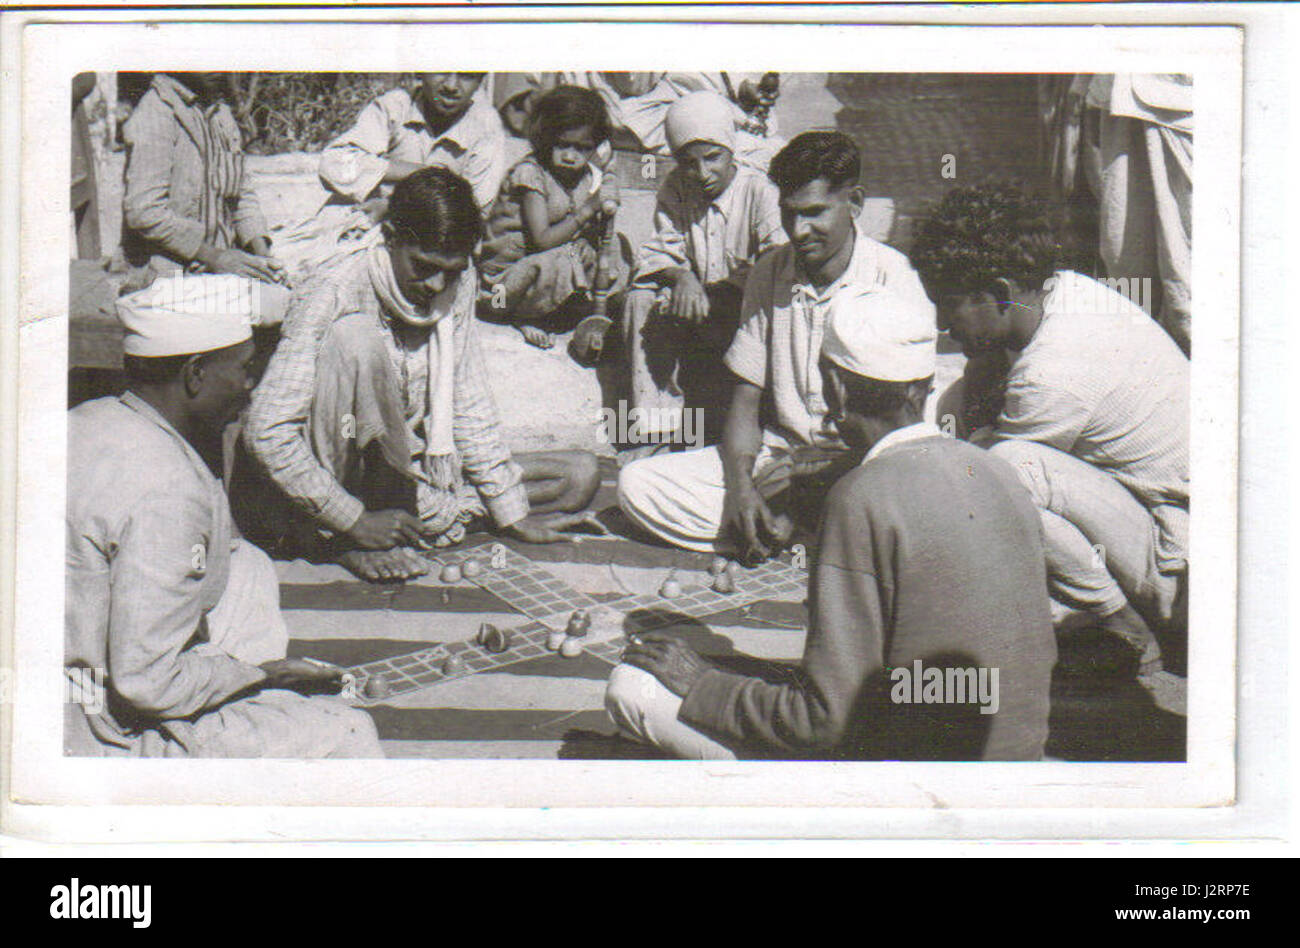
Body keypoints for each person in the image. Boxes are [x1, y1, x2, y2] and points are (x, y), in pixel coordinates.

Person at [605, 289, 1057, 760]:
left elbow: (822, 723)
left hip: (914, 779)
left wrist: (705, 686)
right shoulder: (995, 468)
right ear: (920, 389)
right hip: (1016, 750)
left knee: (633, 689)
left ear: (836, 391)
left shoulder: (859, 497)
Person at [65, 274, 382, 758]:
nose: (251, 385)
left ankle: (242, 693)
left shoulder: (89, 419)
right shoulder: (167, 491)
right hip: (93, 725)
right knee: (348, 732)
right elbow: (145, 684)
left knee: (247, 564)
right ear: (195, 374)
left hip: (73, 664)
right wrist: (258, 675)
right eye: (243, 369)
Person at [237, 167, 601, 584]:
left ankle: (434, 514)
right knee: (354, 336)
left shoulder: (457, 284)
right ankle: (337, 539)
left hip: (410, 468)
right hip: (344, 472)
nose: (435, 283)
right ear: (391, 236)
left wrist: (511, 510)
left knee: (580, 476)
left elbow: (468, 400)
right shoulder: (334, 288)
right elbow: (267, 431)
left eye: (451, 269)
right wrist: (352, 520)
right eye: (424, 265)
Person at [909, 183, 1189, 674]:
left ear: (998, 293)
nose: (942, 325)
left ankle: (1118, 621)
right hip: (1168, 516)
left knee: (1000, 473)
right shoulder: (1067, 291)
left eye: (948, 305)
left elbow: (984, 475)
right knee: (977, 431)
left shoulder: (1052, 373)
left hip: (1178, 567)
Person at [617, 131, 934, 557]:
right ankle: (786, 527)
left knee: (895, 496)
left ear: (854, 203)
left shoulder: (894, 277)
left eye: (815, 213)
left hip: (859, 463)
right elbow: (745, 400)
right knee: (638, 485)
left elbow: (907, 421)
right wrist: (742, 489)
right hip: (781, 458)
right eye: (789, 214)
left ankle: (793, 527)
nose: (799, 231)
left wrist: (823, 475)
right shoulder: (770, 271)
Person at [620, 91, 785, 448]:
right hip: (694, 301)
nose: (702, 173)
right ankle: (657, 426)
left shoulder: (758, 190)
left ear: (730, 151)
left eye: (713, 158)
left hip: (744, 302)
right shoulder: (676, 188)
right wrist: (682, 277)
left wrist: (720, 290)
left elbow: (777, 258)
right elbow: (660, 248)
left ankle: (729, 425)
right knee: (639, 300)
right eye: (689, 163)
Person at [478, 85, 627, 350]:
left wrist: (585, 240)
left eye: (582, 148)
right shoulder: (531, 174)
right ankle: (525, 316)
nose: (570, 156)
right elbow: (543, 240)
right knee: (562, 260)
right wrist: (588, 210)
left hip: (540, 265)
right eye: (562, 145)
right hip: (502, 286)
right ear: (546, 137)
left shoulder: (582, 175)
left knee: (609, 243)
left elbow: (577, 228)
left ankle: (603, 304)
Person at [121, 72, 285, 287]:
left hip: (221, 268)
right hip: (166, 276)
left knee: (287, 297)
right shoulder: (156, 112)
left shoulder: (220, 113)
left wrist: (263, 257)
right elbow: (144, 212)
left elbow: (241, 195)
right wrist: (216, 257)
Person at [318, 73, 506, 215]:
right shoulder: (396, 106)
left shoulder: (486, 126)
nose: (451, 86)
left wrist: (393, 208)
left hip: (432, 241)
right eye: (441, 71)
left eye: (466, 76)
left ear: (479, 82)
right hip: (364, 224)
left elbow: (473, 209)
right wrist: (432, 175)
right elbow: (333, 165)